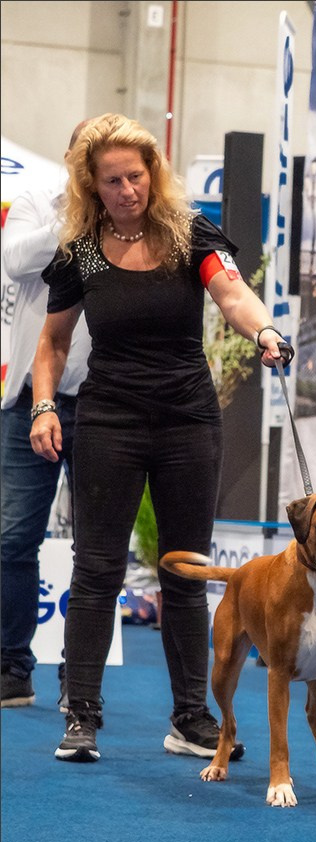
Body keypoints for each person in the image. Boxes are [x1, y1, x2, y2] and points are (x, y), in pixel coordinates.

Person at [29, 112, 292, 763]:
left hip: (187, 420)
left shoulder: (187, 233)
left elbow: (233, 296)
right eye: (112, 181)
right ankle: (81, 715)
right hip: (109, 420)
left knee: (183, 568)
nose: (127, 191)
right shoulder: (83, 251)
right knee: (97, 570)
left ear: (154, 174)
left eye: (136, 176)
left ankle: (190, 717)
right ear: (92, 185)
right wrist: (42, 405)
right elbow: (53, 342)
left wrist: (263, 330)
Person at [1, 122, 92, 711]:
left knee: (97, 546)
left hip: (107, 401)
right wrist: (79, 218)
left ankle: (78, 682)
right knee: (12, 538)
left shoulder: (136, 217)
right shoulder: (38, 197)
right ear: (71, 157)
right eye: (88, 156)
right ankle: (11, 666)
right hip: (28, 399)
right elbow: (14, 260)